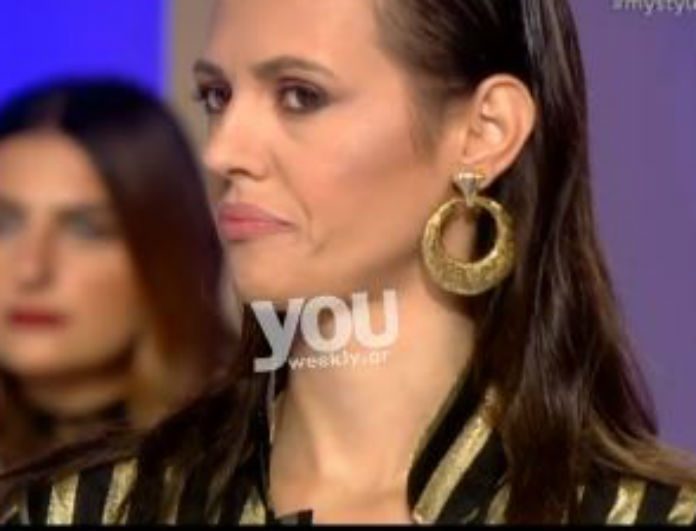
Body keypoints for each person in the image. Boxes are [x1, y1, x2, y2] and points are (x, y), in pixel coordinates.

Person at [2, 0, 696, 524]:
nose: (222, 150)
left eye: (300, 96)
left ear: (484, 132)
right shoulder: (84, 509)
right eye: (217, 96)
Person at [0, 80, 228, 469]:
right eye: (5, 223)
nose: (31, 270)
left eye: (87, 230)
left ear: (168, 253)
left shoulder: (252, 452)